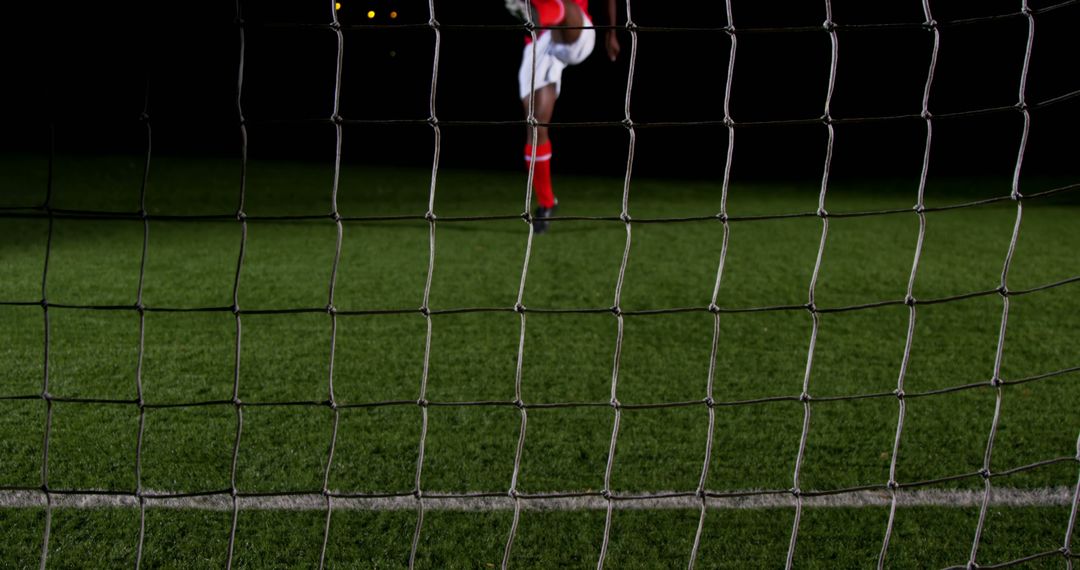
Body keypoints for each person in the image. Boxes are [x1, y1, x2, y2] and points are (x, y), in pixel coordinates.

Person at [507, 0, 621, 233]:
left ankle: (537, 17)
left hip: (574, 31)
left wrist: (612, 31)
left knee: (565, 8)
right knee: (535, 126)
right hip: (539, 44)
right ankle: (546, 203)